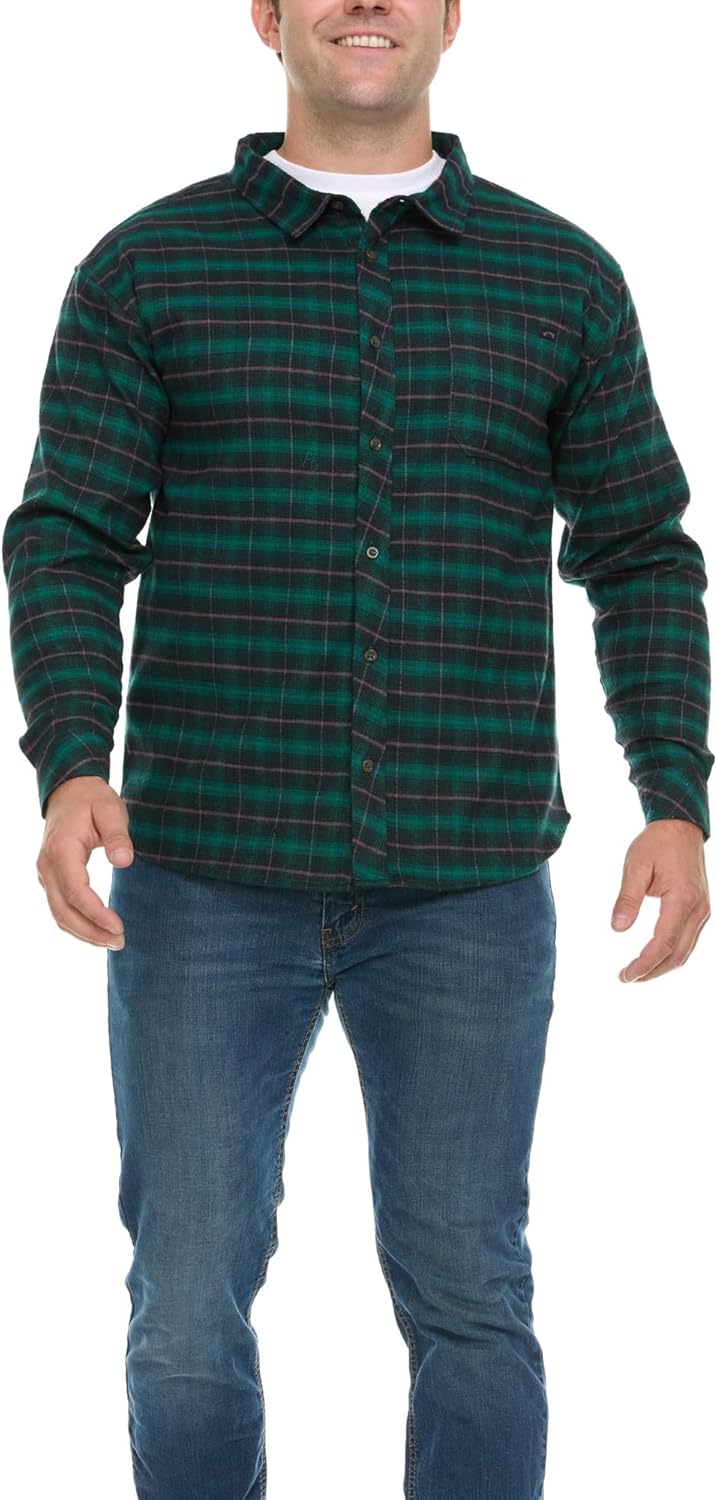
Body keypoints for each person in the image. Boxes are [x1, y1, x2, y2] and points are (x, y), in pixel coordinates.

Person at [2, 1, 713, 1495]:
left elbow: (640, 551)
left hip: (469, 882)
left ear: (452, 15)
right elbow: (66, 536)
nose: (368, 2)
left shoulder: (562, 277)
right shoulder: (148, 269)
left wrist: (674, 792)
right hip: (200, 878)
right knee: (184, 1309)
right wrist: (71, 759)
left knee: (472, 1295)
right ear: (267, 15)